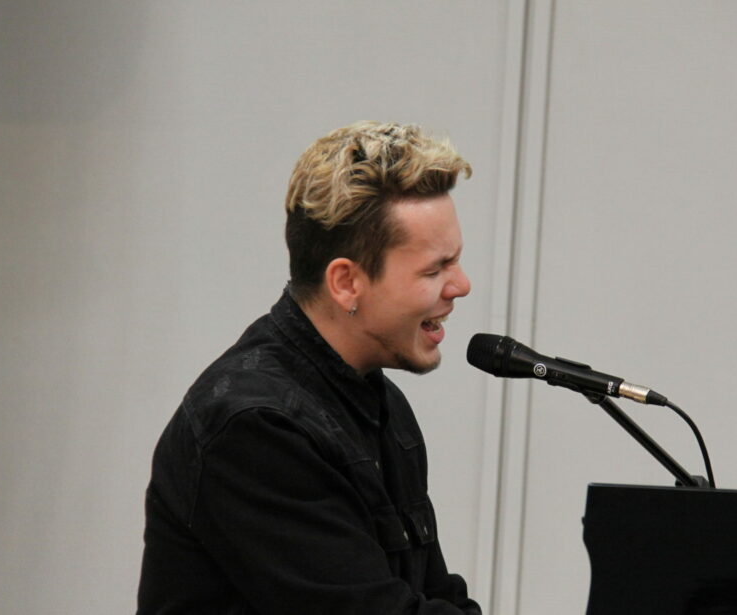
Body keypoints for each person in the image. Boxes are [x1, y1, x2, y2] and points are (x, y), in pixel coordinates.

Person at [136, 121, 481, 614]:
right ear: (346, 283)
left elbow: (437, 594)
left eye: (456, 261)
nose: (461, 285)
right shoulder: (256, 427)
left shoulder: (382, 404)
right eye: (435, 269)